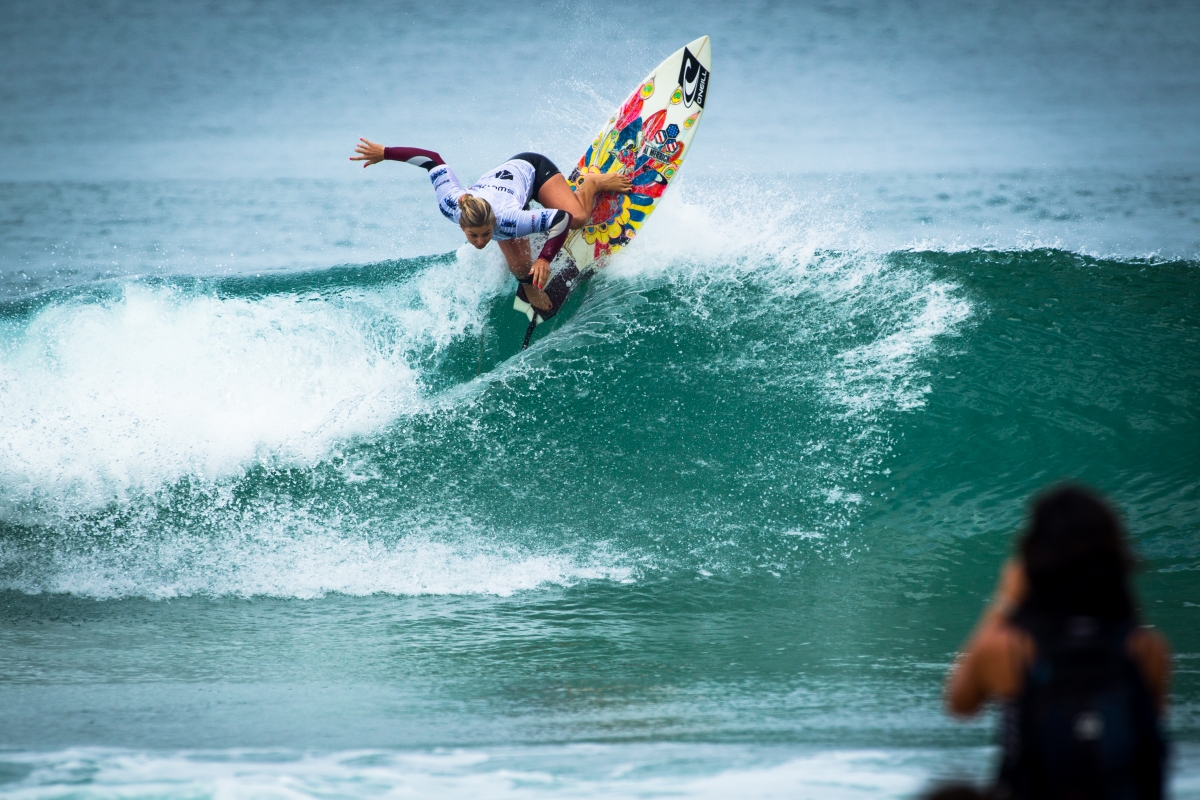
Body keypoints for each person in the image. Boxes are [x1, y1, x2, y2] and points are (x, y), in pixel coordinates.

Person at [946, 485, 1171, 799]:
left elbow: (959, 703)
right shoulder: (1146, 648)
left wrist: (1005, 600)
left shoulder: (1008, 648)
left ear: (1034, 557)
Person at [351, 138, 631, 310]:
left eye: (485, 234)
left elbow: (563, 219)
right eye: (474, 236)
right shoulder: (451, 203)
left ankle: (591, 183)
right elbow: (432, 161)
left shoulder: (506, 221)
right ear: (462, 225)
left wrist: (546, 258)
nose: (481, 241)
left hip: (532, 171)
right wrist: (385, 153)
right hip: (506, 191)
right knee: (520, 266)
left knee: (578, 219)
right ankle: (530, 272)